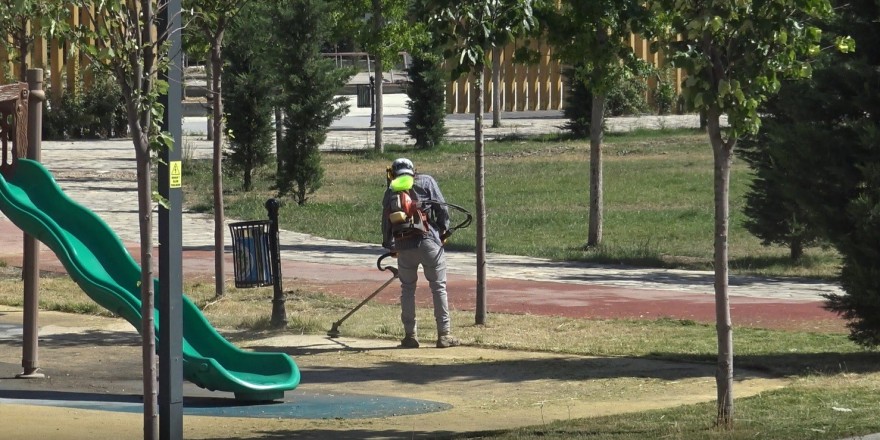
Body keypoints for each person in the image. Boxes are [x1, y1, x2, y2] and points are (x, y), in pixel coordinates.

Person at [381, 158, 460, 348]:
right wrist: (443, 230)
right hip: (429, 242)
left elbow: (386, 222)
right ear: (413, 171)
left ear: (392, 173)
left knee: (407, 289)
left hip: (403, 245)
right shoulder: (426, 182)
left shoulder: (391, 190)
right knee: (438, 287)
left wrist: (391, 245)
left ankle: (410, 336)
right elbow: (442, 208)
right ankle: (444, 335)